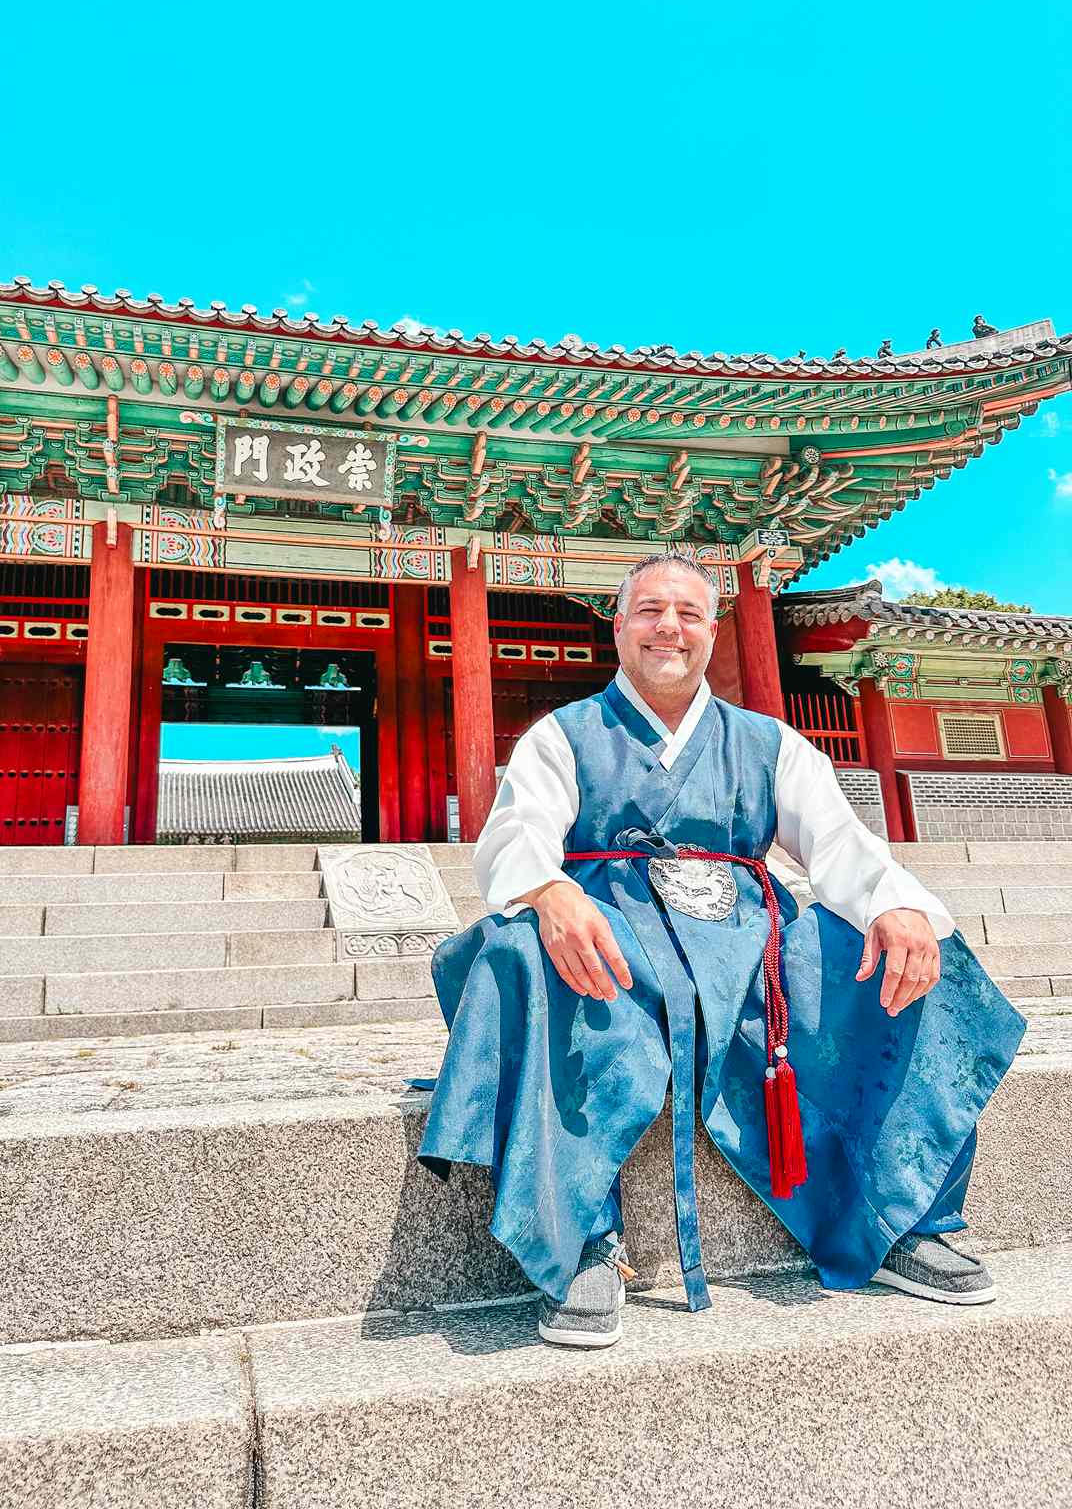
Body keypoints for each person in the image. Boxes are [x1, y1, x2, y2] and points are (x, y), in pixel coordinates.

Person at [419, 552, 1024, 1349]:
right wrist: (551, 891)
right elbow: (518, 834)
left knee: (920, 953)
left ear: (712, 630)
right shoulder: (563, 737)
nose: (668, 627)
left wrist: (897, 905)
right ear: (619, 624)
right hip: (616, 955)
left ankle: (901, 1216)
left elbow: (840, 845)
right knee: (521, 951)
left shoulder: (768, 743)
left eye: (689, 614)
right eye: (649, 611)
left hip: (751, 955)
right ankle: (581, 1244)